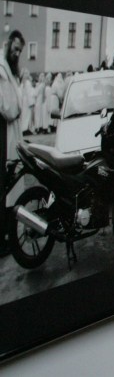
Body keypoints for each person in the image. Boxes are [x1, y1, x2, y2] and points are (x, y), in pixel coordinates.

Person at [0, 31, 25, 254]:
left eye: (20, 51)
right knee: (3, 185)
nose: (17, 54)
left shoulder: (10, 69)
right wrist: (16, 110)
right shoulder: (1, 69)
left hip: (10, 131)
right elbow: (7, 107)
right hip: (3, 130)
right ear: (8, 45)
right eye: (15, 49)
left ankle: (5, 235)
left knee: (8, 185)